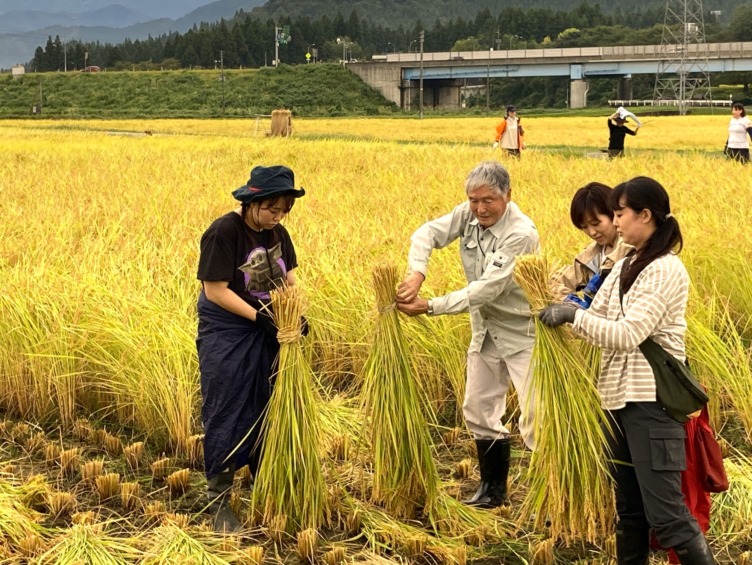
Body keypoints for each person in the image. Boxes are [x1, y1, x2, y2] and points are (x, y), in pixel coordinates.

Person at [538, 177, 716, 564]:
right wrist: (560, 308)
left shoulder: (665, 269)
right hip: (617, 401)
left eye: (620, 213)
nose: (615, 223)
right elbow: (594, 317)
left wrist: (572, 317)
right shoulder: (624, 266)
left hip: (651, 404)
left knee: (667, 516)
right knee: (630, 514)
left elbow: (626, 334)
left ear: (646, 215)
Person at [396, 160, 539, 509]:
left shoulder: (521, 233)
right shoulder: (469, 214)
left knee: (539, 418)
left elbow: (486, 289)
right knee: (477, 407)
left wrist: (431, 306)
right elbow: (425, 233)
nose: (479, 208)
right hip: (486, 331)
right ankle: (493, 490)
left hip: (523, 333)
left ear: (508, 195)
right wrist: (417, 273)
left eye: (488, 200)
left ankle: (554, 494)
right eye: (473, 200)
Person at [196, 165, 306, 531]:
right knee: (227, 406)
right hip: (228, 332)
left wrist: (295, 315)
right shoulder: (224, 231)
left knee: (268, 404)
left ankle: (265, 483)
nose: (277, 217)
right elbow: (216, 290)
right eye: (272, 209)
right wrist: (258, 317)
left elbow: (288, 279)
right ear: (253, 202)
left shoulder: (278, 234)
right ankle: (218, 499)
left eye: (284, 210)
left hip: (270, 331)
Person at [549, 182, 632, 306]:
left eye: (596, 223)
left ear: (613, 214)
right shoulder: (589, 255)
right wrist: (572, 303)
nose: (592, 232)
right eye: (584, 227)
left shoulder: (631, 250)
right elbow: (554, 283)